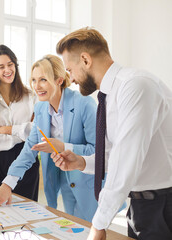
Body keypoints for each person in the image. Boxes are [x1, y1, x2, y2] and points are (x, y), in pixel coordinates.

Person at [52, 27, 172, 240]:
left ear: (85, 60)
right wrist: (81, 162)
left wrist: (98, 224)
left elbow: (126, 159)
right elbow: (112, 156)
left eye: (70, 70)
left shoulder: (135, 86)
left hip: (162, 206)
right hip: (139, 205)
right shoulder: (107, 97)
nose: (71, 79)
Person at [0, 54, 99, 222]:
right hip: (63, 182)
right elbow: (29, 149)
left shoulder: (85, 104)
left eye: (43, 80)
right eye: (33, 80)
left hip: (88, 184)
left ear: (59, 80)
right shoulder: (40, 108)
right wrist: (7, 184)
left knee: (88, 232)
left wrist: (62, 147)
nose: (36, 86)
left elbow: (98, 151)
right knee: (73, 232)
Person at [0, 45, 39, 201]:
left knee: (26, 210)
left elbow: (37, 130)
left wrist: (8, 130)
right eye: (1, 66)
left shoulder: (30, 96)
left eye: (10, 64)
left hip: (26, 157)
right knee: (0, 213)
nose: (7, 70)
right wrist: (21, 133)